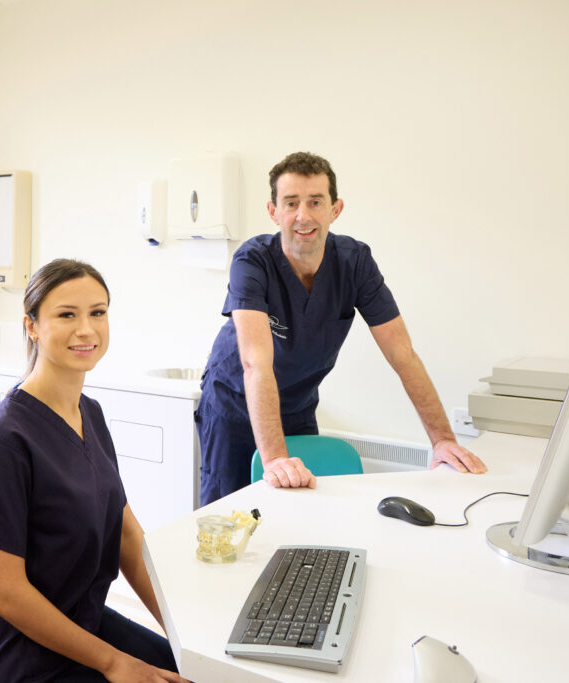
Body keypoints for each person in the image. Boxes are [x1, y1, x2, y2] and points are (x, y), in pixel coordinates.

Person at [197, 151, 487, 505]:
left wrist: (442, 440)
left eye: (315, 201)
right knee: (231, 512)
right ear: (273, 212)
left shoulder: (355, 263)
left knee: (304, 506)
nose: (303, 216)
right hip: (234, 402)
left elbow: (403, 355)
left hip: (298, 405)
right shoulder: (252, 262)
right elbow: (255, 363)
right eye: (291, 203)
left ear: (336, 208)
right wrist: (274, 459)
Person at [0, 259, 186, 683]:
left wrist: (184, 634)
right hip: (21, 655)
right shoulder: (3, 440)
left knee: (196, 671)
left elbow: (127, 537)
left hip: (84, 620)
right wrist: (115, 662)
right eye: (66, 315)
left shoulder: (90, 415)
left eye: (97, 313)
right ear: (32, 326)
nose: (87, 329)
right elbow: (5, 595)